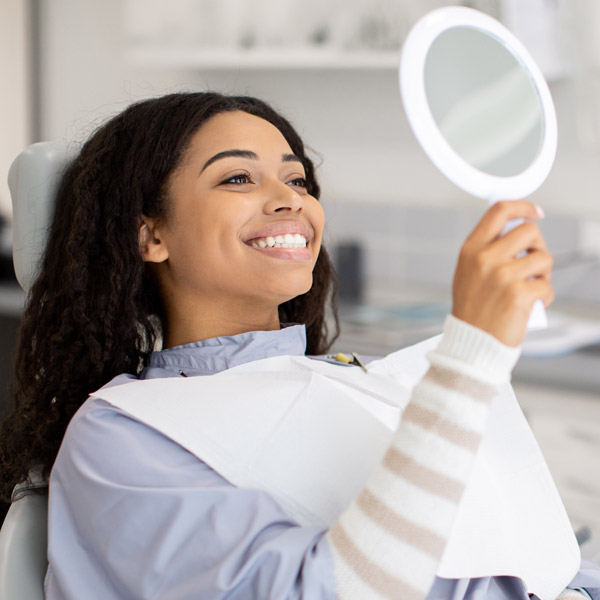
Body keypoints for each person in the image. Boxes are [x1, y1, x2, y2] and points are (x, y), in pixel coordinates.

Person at [0, 92, 598, 600]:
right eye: (237, 177)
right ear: (150, 234)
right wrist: (470, 358)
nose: (291, 199)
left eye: (297, 179)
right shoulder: (122, 435)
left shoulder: (349, 381)